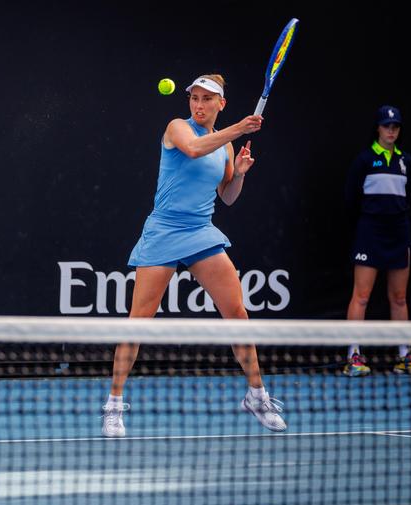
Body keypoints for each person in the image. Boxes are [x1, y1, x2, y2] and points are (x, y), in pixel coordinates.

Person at [101, 75, 287, 438]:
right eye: (195, 99)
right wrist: (238, 128)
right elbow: (194, 150)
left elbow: (228, 197)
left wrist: (241, 175)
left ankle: (256, 395)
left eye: (206, 100)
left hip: (201, 231)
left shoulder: (226, 148)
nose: (198, 106)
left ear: (221, 103)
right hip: (165, 230)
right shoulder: (176, 128)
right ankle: (113, 405)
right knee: (138, 319)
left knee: (237, 312)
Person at [344, 105, 411, 376]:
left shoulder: (406, 161)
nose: (391, 131)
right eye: (387, 126)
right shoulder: (364, 160)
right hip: (370, 233)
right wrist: (365, 225)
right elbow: (350, 198)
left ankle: (404, 355)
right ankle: (353, 356)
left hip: (399, 234)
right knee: (361, 296)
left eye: (395, 126)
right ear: (378, 128)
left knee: (399, 297)